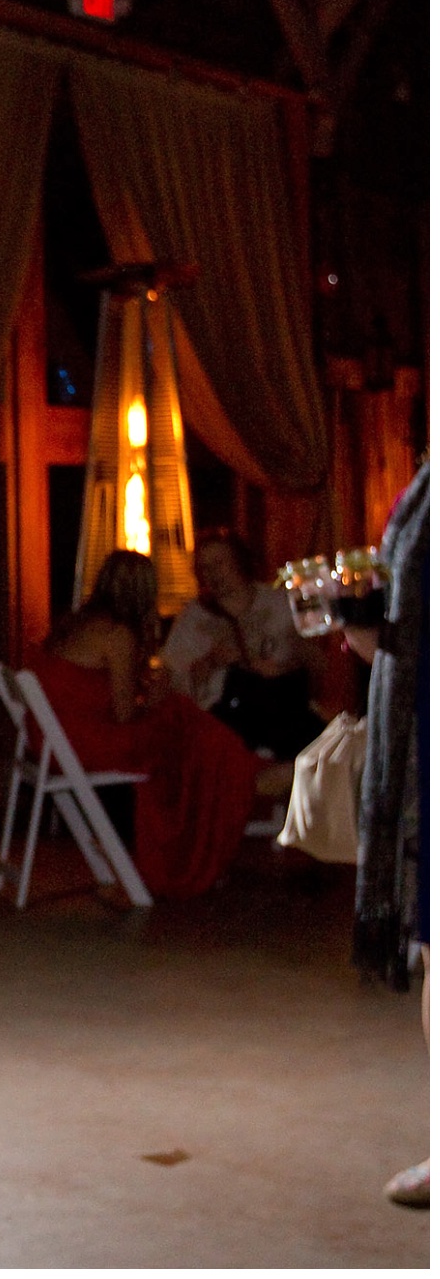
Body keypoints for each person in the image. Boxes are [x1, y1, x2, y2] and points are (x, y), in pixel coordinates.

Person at [35, 550, 277, 900]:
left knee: (182, 724)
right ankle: (237, 780)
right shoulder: (118, 633)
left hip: (58, 740)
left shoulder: (81, 623)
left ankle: (237, 772)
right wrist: (155, 696)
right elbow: (124, 715)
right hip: (86, 741)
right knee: (181, 727)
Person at [344, 461, 428, 1206]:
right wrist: (362, 618)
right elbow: (404, 653)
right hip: (425, 755)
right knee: (434, 952)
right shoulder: (423, 488)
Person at [159, 529, 325, 758]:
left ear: (239, 561)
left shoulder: (279, 603)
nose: (213, 574)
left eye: (219, 563)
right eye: (205, 568)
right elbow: (174, 680)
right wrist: (212, 661)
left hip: (285, 711)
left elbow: (316, 660)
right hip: (225, 723)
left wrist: (283, 670)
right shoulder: (194, 617)